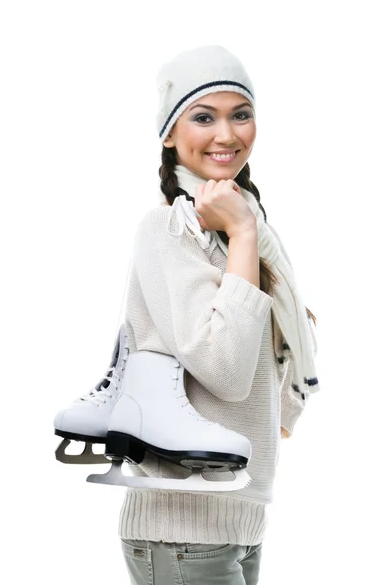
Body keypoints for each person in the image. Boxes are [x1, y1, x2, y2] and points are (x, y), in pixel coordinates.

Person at [119, 45, 318, 585]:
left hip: (239, 518)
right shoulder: (168, 232)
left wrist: (245, 233)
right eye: (204, 116)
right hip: (183, 527)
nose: (227, 135)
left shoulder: (239, 226)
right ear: (169, 133)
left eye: (241, 114)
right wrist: (245, 235)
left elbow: (271, 364)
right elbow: (226, 372)